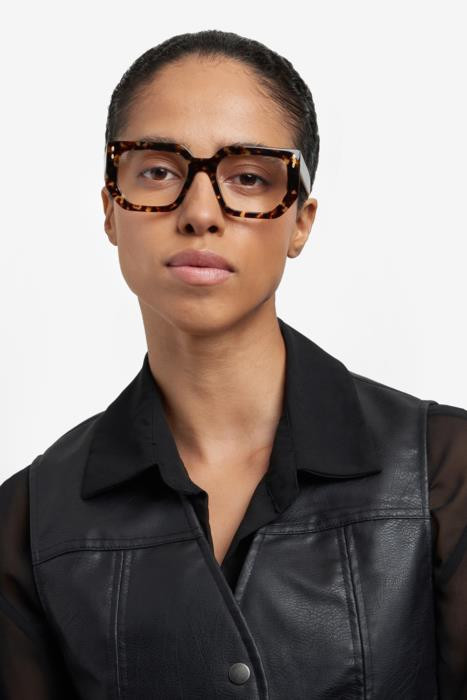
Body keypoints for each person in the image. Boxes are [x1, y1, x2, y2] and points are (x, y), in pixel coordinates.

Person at [0, 29, 466, 700]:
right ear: (109, 210)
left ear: (300, 221)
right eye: (158, 171)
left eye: (248, 177)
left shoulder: (444, 473)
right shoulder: (29, 520)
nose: (199, 213)